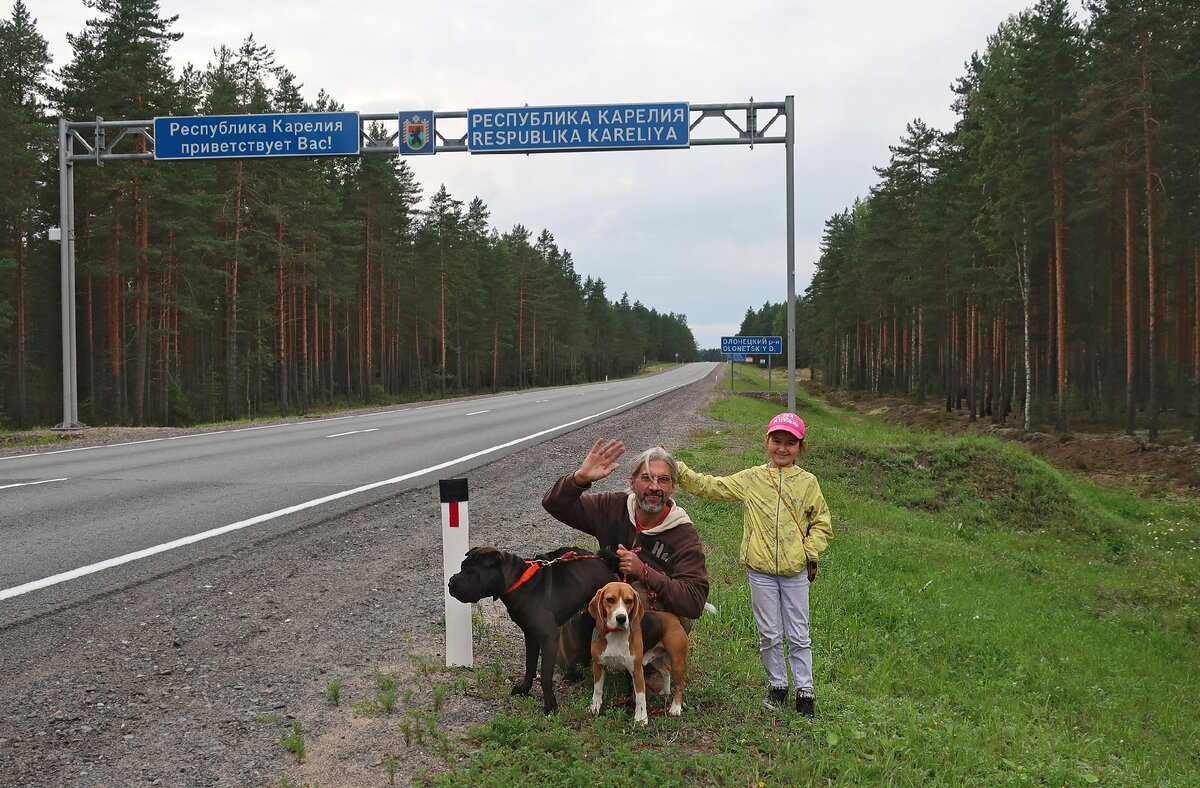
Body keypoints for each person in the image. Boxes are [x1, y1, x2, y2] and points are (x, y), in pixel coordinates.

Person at [671, 412, 833, 717]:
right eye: (777, 441)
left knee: (799, 634)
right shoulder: (752, 479)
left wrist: (808, 551)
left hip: (795, 572)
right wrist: (677, 469)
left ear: (801, 447)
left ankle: (805, 691)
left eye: (790, 443)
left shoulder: (809, 483)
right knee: (769, 632)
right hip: (760, 571)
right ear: (767, 441)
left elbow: (822, 523)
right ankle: (778, 686)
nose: (782, 448)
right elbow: (711, 486)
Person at [541, 438, 711, 668]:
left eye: (663, 480)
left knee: (635, 595)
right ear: (632, 483)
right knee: (582, 590)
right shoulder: (612, 506)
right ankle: (580, 659)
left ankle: (647, 664)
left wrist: (645, 572)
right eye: (646, 478)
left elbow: (694, 602)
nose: (654, 487)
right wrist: (579, 479)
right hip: (611, 599)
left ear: (672, 488)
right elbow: (554, 504)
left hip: (651, 612)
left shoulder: (683, 534)